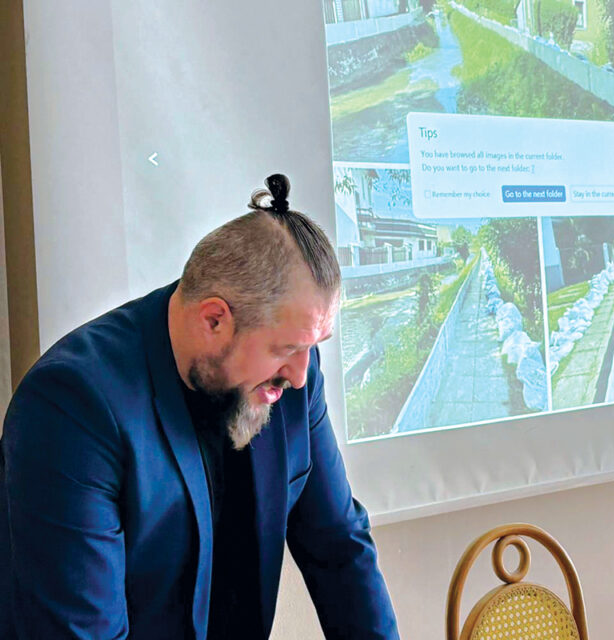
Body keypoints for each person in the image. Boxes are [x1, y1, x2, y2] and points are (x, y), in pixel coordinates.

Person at [0, 175, 399, 639]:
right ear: (214, 319)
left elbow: (340, 547)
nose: (299, 375)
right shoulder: (71, 406)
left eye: (313, 346)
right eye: (286, 349)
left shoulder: (291, 376)